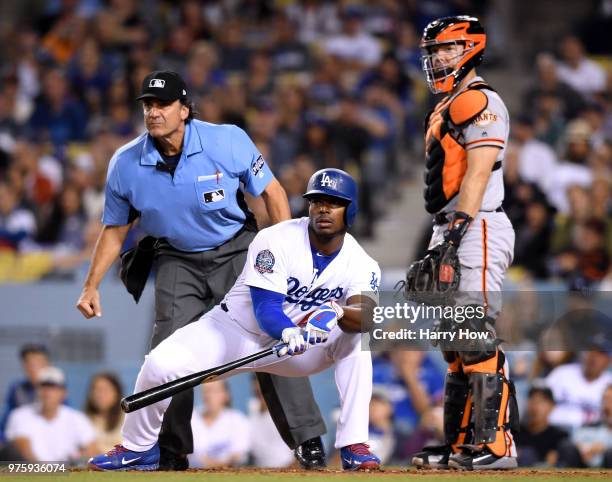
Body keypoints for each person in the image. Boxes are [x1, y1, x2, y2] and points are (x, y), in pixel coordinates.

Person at [75, 70, 327, 470]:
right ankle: (171, 450)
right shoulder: (126, 163)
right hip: (177, 259)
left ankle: (307, 440)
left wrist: (284, 260)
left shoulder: (226, 139)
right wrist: (91, 286)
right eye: (147, 105)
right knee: (168, 352)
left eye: (162, 104)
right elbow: (114, 229)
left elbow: (273, 193)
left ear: (185, 109)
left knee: (271, 334)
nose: (153, 112)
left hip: (237, 251)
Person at [87, 168, 382, 472]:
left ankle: (353, 445)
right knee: (160, 364)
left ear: (351, 209)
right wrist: (287, 330)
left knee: (358, 340)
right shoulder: (276, 240)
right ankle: (138, 448)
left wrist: (338, 312)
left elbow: (368, 317)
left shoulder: (361, 263)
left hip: (301, 349)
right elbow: (266, 309)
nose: (323, 208)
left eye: (333, 202)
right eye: (316, 200)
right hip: (235, 331)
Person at [407, 16, 518, 470]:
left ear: (470, 48)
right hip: (452, 225)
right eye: (434, 51)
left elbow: (477, 172)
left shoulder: (483, 101)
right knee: (453, 343)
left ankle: (498, 445)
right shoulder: (449, 103)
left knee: (474, 336)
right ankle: (460, 445)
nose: (437, 59)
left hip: (479, 224)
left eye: (447, 50)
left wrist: (455, 233)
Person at [4, 366, 97, 463]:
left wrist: (78, 460)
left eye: (54, 387)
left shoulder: (78, 418)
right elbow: (22, 449)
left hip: (67, 471)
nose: (48, 392)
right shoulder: (20, 415)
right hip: (32, 472)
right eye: (44, 386)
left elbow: (91, 449)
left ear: (64, 393)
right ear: (37, 390)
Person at [188, 381, 250, 468]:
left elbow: (238, 455)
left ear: (226, 395)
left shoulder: (238, 420)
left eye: (214, 391)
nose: (208, 396)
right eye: (206, 391)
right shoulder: (190, 418)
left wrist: (211, 464)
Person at [0, 344, 50, 442]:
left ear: (47, 364)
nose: (33, 368)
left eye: (38, 363)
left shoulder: (56, 389)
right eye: (29, 363)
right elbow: (5, 424)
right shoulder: (17, 389)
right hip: (20, 443)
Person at [514, 385, 568, 467]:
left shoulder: (559, 437)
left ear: (552, 406)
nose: (535, 407)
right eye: (532, 401)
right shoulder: (515, 432)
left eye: (541, 402)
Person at [84, 373, 124, 451]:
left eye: (105, 390)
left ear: (116, 393)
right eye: (96, 390)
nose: (100, 395)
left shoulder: (128, 419)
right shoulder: (83, 420)